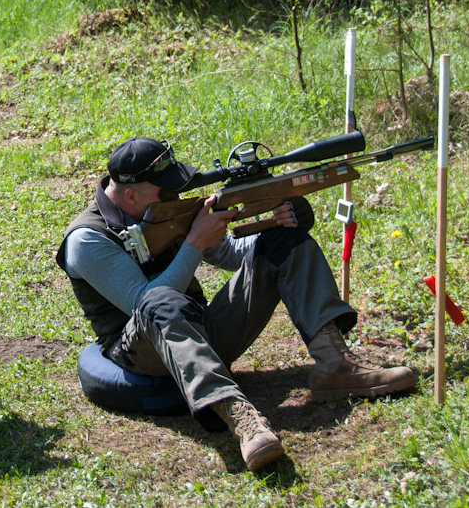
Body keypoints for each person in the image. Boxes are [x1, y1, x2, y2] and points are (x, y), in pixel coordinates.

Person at [57, 137, 417, 471]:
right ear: (131, 196)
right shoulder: (87, 239)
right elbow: (144, 304)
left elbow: (230, 253)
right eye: (166, 190)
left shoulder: (163, 211)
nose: (177, 196)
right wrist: (194, 244)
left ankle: (335, 365)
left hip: (197, 327)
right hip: (139, 352)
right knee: (160, 299)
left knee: (283, 243)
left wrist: (273, 226)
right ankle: (242, 419)